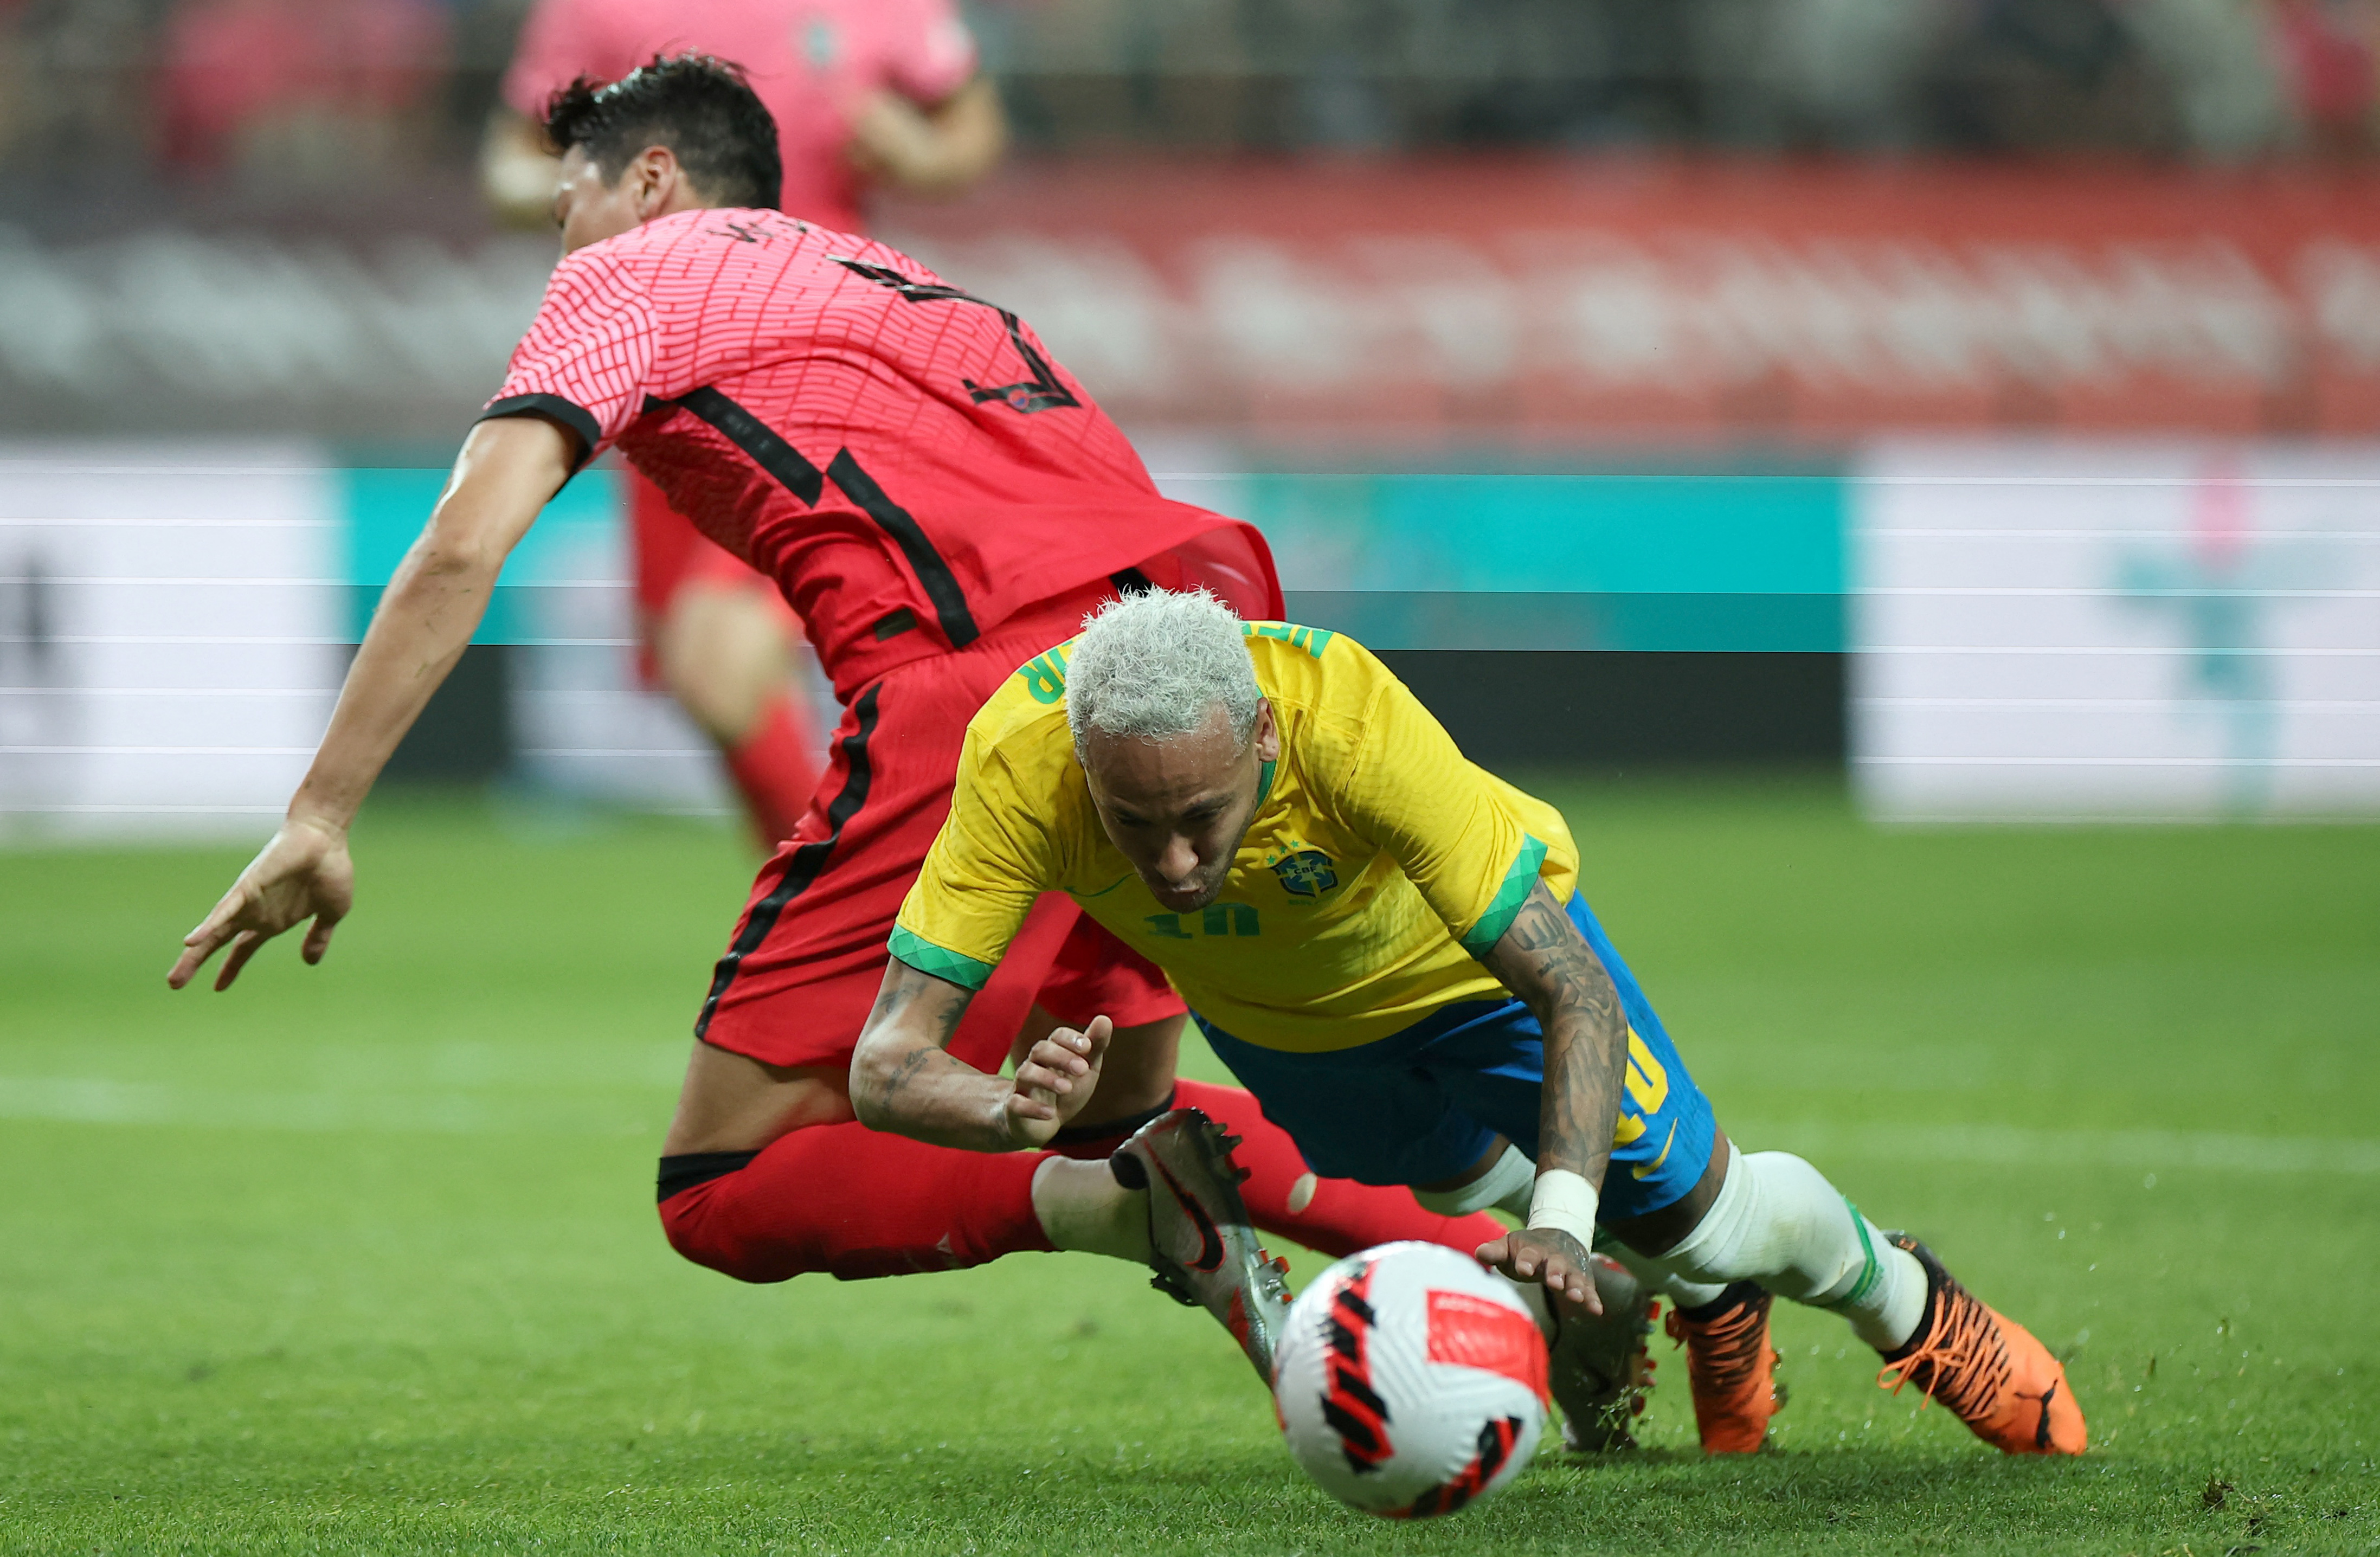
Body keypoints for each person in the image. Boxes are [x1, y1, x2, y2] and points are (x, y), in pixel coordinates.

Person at [168, 59, 1505, 1341]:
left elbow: (465, 539)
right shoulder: (906, 281)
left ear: (648, 180)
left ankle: (1130, 1218)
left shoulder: (626, 274)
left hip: (975, 695)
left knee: (720, 1183)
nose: (555, 237)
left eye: (565, 198)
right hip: (1163, 663)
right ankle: (1525, 1268)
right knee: (1120, 1099)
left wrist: (321, 812)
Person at [852, 587, 2090, 1458]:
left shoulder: (1344, 717)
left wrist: (1558, 1222)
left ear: (1265, 739)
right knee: (1448, 1191)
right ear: (1081, 764)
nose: (1174, 863)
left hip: (1473, 981)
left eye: (1203, 814)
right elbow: (886, 1066)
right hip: (1289, 1031)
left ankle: (1907, 1302)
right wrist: (1006, 1110)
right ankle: (1692, 1296)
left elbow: (1572, 990)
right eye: (1134, 822)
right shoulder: (1022, 759)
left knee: (1698, 1218)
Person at [481, 0, 1009, 848]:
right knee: (705, 681)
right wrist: (585, 187)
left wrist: (918, 151)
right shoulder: (591, 10)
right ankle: (861, 921)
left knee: (715, 664)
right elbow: (508, 160)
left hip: (817, 368)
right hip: (662, 387)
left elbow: (970, 129)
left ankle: (876, 915)